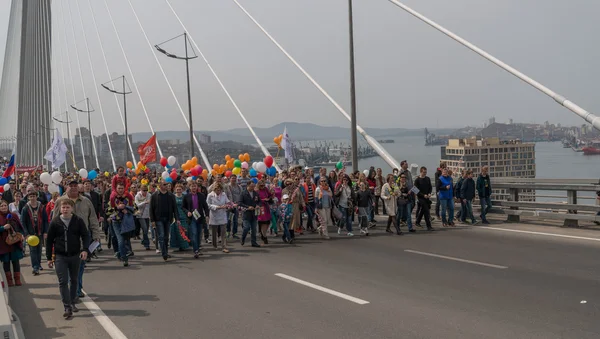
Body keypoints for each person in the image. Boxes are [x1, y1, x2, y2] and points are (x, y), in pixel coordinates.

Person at [53, 179, 101, 300]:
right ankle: (73, 291)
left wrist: (96, 235)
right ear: (66, 188)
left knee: (80, 266)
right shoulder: (60, 201)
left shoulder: (86, 201)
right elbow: (54, 221)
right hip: (65, 240)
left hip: (83, 239)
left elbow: (93, 219)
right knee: (68, 268)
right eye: (71, 186)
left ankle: (76, 290)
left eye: (75, 186)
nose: (73, 188)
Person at [46, 199, 90, 319]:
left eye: (67, 207)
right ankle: (67, 306)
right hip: (60, 256)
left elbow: (85, 235)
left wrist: (85, 249)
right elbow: (49, 240)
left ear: (72, 208)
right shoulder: (55, 222)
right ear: (60, 209)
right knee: (63, 281)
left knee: (74, 280)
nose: (65, 209)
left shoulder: (78, 221)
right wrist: (49, 257)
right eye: (63, 207)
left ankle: (72, 302)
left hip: (75, 255)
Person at [149, 180, 180, 261]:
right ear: (160, 185)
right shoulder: (154, 195)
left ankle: (165, 251)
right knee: (161, 236)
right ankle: (164, 253)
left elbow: (175, 208)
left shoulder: (171, 195)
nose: (166, 186)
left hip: (168, 218)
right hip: (158, 219)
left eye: (167, 184)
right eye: (164, 184)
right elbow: (151, 209)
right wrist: (152, 220)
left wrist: (177, 219)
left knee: (166, 237)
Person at [20, 191, 48, 275]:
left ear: (37, 197)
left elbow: (45, 220)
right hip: (30, 233)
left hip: (40, 231)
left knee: (39, 250)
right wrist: (26, 233)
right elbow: (23, 221)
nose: (32, 198)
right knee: (33, 250)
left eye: (34, 196)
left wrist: (46, 231)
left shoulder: (41, 207)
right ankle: (35, 267)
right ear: (28, 198)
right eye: (31, 196)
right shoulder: (25, 208)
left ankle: (38, 264)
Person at [0, 200, 25, 286]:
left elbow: (20, 227)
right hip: (3, 244)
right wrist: (3, 228)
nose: (4, 207)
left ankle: (17, 279)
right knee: (6, 262)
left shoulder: (13, 215)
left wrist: (21, 235)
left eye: (5, 205)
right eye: (2, 206)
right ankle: (9, 281)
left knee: (15, 261)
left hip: (15, 242)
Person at [182, 181, 209, 258]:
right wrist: (187, 212)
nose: (194, 188)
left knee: (199, 234)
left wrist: (207, 215)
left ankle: (197, 247)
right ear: (189, 187)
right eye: (192, 186)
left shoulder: (201, 195)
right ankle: (195, 250)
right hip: (192, 217)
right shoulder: (186, 196)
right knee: (194, 233)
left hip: (200, 217)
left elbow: (205, 206)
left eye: (195, 186)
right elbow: (183, 207)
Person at [206, 183, 231, 253]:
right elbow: (208, 205)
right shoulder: (210, 195)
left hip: (222, 214)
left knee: (223, 232)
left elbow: (227, 201)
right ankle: (214, 245)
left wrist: (230, 205)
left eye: (219, 190)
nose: (218, 192)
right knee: (214, 231)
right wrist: (217, 207)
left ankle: (224, 246)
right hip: (214, 215)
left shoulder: (223, 194)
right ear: (214, 189)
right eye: (217, 190)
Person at [238, 181, 261, 247]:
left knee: (254, 229)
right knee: (246, 227)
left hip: (254, 213)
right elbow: (240, 203)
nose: (253, 188)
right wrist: (248, 207)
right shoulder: (243, 193)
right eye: (251, 186)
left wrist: (258, 205)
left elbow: (259, 201)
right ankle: (243, 238)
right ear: (247, 186)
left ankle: (254, 242)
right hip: (246, 213)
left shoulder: (255, 193)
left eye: (253, 186)